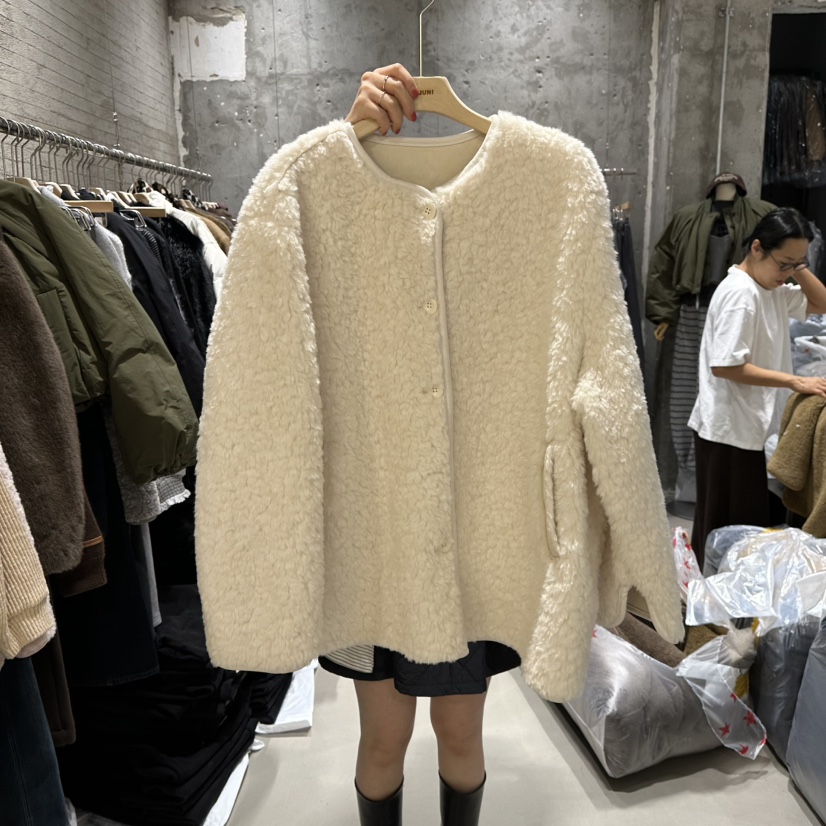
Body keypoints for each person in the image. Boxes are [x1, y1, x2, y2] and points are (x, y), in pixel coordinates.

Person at [311, 63, 508, 826]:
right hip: (373, 533)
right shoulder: (331, 206)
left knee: (460, 734)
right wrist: (345, 138)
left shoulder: (509, 208)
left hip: (465, 534)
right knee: (382, 739)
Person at [688, 207, 826, 568]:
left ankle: (725, 598)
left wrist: (796, 265)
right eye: (783, 263)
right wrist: (794, 380)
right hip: (729, 430)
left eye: (796, 265)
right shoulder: (741, 293)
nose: (787, 274)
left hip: (748, 427)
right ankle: (710, 600)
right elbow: (726, 365)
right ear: (756, 248)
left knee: (745, 533)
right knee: (727, 534)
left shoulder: (770, 289)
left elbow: (822, 303)